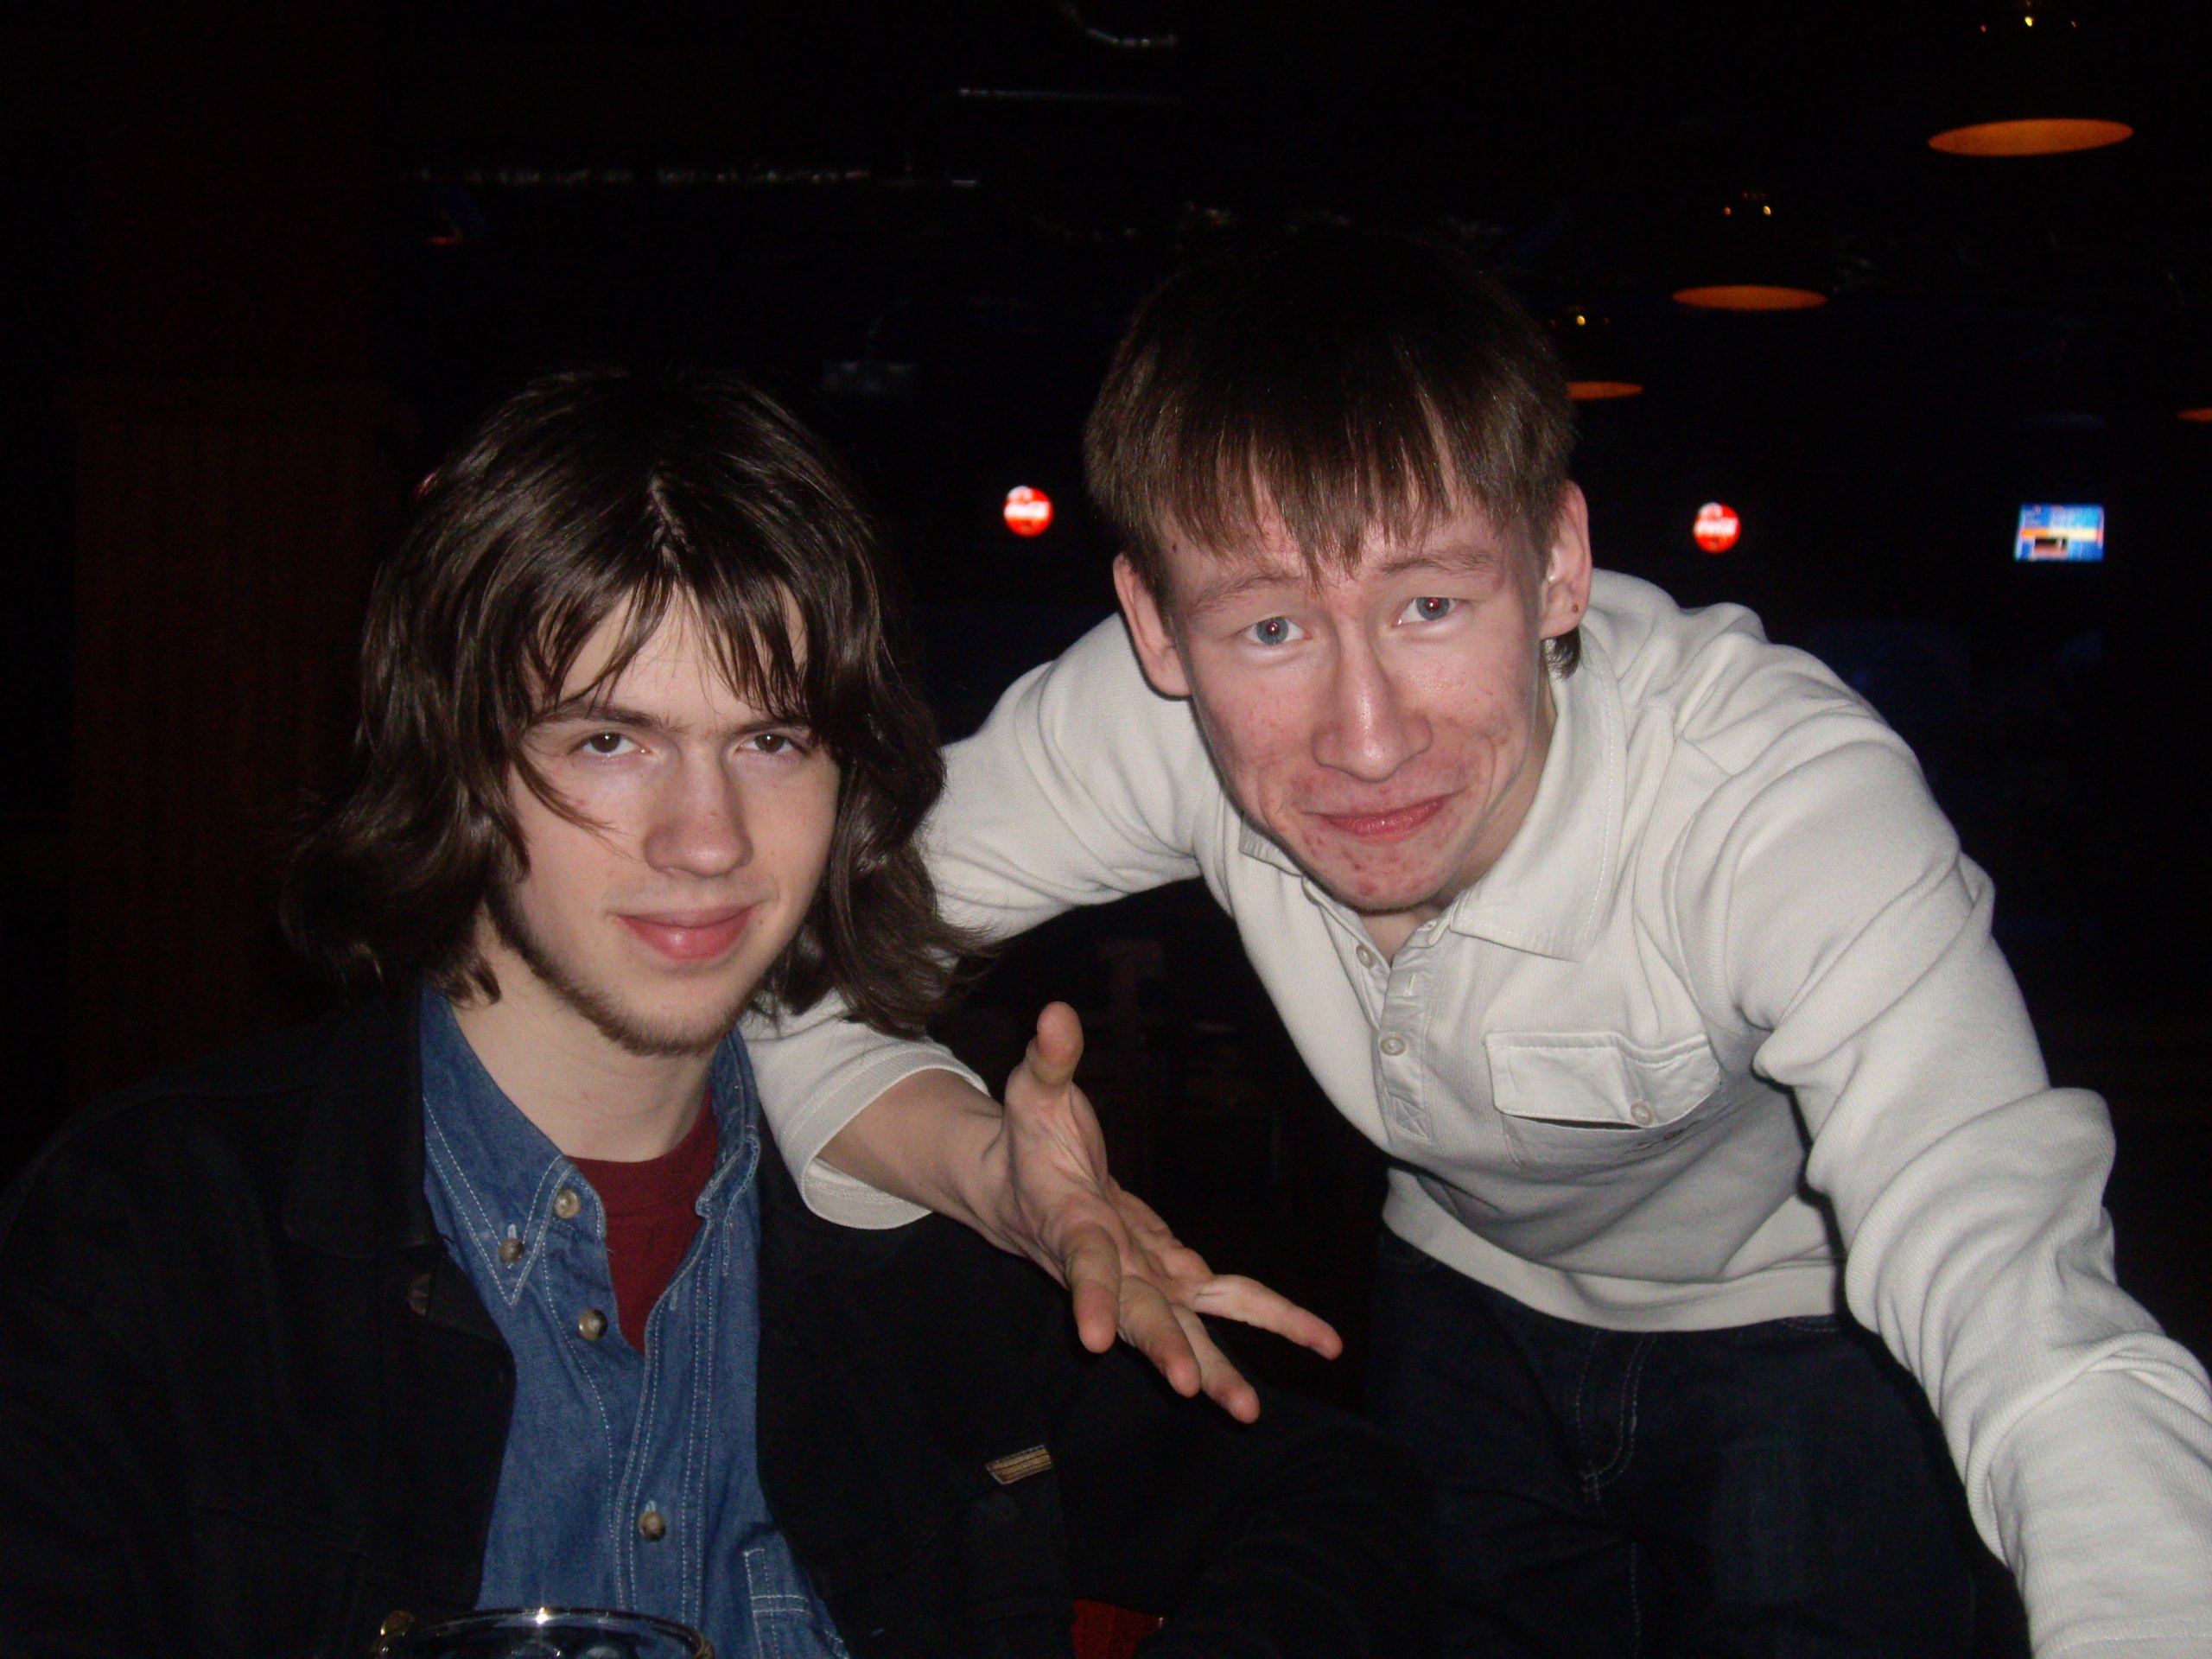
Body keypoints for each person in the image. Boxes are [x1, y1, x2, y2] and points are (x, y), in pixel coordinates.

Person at [744, 226, 2212, 1655]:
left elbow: (2021, 1296)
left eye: (1433, 602)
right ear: (1158, 628)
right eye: (1270, 631)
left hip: (1813, 1331)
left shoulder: (1775, 806)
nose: (1368, 738)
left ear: (1560, 561)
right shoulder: (1145, 732)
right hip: (1456, 1298)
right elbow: (777, 963)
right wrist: (993, 1179)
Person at [0, 366, 1433, 1659]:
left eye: (771, 740)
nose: (709, 839)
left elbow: (1343, 1503)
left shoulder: (924, 1246)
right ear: (457, 755)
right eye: (610, 740)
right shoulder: (157, 1242)